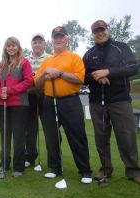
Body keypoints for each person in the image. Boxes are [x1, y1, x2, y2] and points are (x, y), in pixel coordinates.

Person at [83, 20, 140, 184]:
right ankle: (105, 169)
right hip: (96, 102)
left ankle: (133, 171)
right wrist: (96, 76)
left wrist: (108, 72)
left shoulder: (121, 47)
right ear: (92, 34)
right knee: (101, 137)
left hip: (120, 100)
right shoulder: (88, 54)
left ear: (107, 30)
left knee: (126, 135)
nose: (100, 33)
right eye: (96, 31)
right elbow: (83, 77)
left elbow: (133, 67)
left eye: (102, 29)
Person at [34, 26, 92, 184]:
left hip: (70, 101)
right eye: (55, 37)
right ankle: (55, 168)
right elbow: (37, 84)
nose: (58, 39)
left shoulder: (74, 57)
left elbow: (80, 79)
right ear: (52, 40)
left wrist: (59, 73)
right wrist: (45, 75)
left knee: (77, 136)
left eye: (61, 36)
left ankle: (85, 170)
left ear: (67, 39)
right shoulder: (47, 61)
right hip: (49, 101)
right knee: (51, 137)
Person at [0, 37, 33, 177]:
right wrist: (0, 92)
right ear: (5, 48)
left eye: (13, 45)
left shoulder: (24, 62)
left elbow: (29, 81)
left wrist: (10, 90)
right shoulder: (0, 65)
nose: (11, 48)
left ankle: (18, 167)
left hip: (19, 104)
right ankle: (4, 164)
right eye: (8, 46)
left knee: (18, 136)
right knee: (5, 135)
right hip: (3, 104)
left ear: (18, 47)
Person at [24, 33, 50, 168]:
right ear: (31, 44)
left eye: (40, 42)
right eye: (35, 42)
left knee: (49, 127)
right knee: (30, 128)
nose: (37, 45)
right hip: (30, 96)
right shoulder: (25, 59)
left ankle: (53, 158)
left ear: (44, 44)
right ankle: (30, 157)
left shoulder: (50, 58)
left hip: (46, 95)